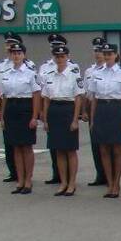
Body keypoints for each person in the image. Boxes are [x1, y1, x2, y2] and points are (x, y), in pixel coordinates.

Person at [0, 43, 41, 195]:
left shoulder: (30, 73)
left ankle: (28, 180)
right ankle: (20, 180)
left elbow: (36, 96)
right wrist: (2, 115)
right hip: (11, 109)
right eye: (13, 53)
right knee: (15, 146)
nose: (16, 55)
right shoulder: (6, 73)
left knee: (26, 147)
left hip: (25, 108)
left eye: (19, 53)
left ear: (24, 55)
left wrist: (35, 116)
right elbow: (4, 96)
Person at [89, 43, 121, 199]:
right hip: (101, 109)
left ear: (116, 55)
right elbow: (93, 98)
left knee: (116, 149)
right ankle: (109, 183)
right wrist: (93, 118)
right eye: (105, 54)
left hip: (115, 109)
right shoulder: (97, 73)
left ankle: (117, 183)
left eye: (110, 54)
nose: (107, 57)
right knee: (104, 149)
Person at [41, 44, 83, 197]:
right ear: (54, 58)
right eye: (57, 57)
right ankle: (63, 182)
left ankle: (72, 183)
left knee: (70, 150)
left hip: (68, 110)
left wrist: (75, 119)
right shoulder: (49, 74)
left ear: (67, 57)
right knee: (58, 150)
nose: (60, 59)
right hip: (54, 111)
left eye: (62, 56)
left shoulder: (74, 74)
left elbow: (78, 98)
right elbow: (45, 99)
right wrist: (45, 119)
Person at [0, 31, 23, 181]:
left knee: (22, 143)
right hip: (7, 106)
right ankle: (13, 171)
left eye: (12, 44)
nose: (9, 47)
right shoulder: (1, 66)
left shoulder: (27, 65)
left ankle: (23, 173)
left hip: (21, 106)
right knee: (8, 141)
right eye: (7, 44)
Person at [83, 37, 108, 187]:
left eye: (100, 51)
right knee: (95, 144)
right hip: (93, 108)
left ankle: (109, 175)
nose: (98, 54)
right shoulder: (89, 71)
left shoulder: (111, 69)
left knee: (108, 144)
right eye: (96, 51)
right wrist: (84, 112)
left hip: (106, 107)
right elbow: (86, 94)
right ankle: (100, 174)